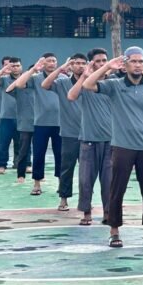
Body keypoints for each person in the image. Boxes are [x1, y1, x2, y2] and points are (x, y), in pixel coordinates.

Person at [82, 46, 143, 248]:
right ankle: (114, 231)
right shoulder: (114, 86)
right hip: (122, 146)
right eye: (133, 61)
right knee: (117, 190)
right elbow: (87, 84)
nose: (137, 65)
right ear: (125, 65)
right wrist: (107, 67)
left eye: (140, 61)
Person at [68, 48, 113, 226]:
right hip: (88, 139)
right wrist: (84, 76)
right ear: (91, 64)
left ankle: (109, 212)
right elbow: (71, 96)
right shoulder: (86, 84)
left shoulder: (114, 83)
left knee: (109, 181)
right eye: (98, 61)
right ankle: (86, 212)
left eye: (104, 61)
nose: (102, 64)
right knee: (86, 180)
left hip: (111, 140)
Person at [8, 53, 62, 196]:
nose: (51, 63)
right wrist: (32, 69)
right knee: (39, 154)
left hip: (60, 123)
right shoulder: (36, 79)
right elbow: (19, 84)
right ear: (43, 64)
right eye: (48, 61)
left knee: (60, 155)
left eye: (54, 61)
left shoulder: (63, 79)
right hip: (41, 123)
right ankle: (37, 184)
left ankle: (62, 183)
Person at [42, 54, 86, 211]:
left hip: (89, 134)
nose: (80, 66)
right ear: (71, 66)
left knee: (86, 171)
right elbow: (45, 85)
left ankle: (85, 200)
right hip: (68, 133)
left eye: (83, 63)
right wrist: (61, 68)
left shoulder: (91, 83)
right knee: (66, 168)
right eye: (76, 63)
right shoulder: (62, 83)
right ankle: (64, 199)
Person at [0, 58, 34, 182]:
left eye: (18, 65)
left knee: (25, 145)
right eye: (13, 66)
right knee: (4, 142)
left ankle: (28, 165)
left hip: (28, 118)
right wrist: (3, 70)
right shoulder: (6, 80)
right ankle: (2, 164)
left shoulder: (32, 83)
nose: (15, 68)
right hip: (8, 116)